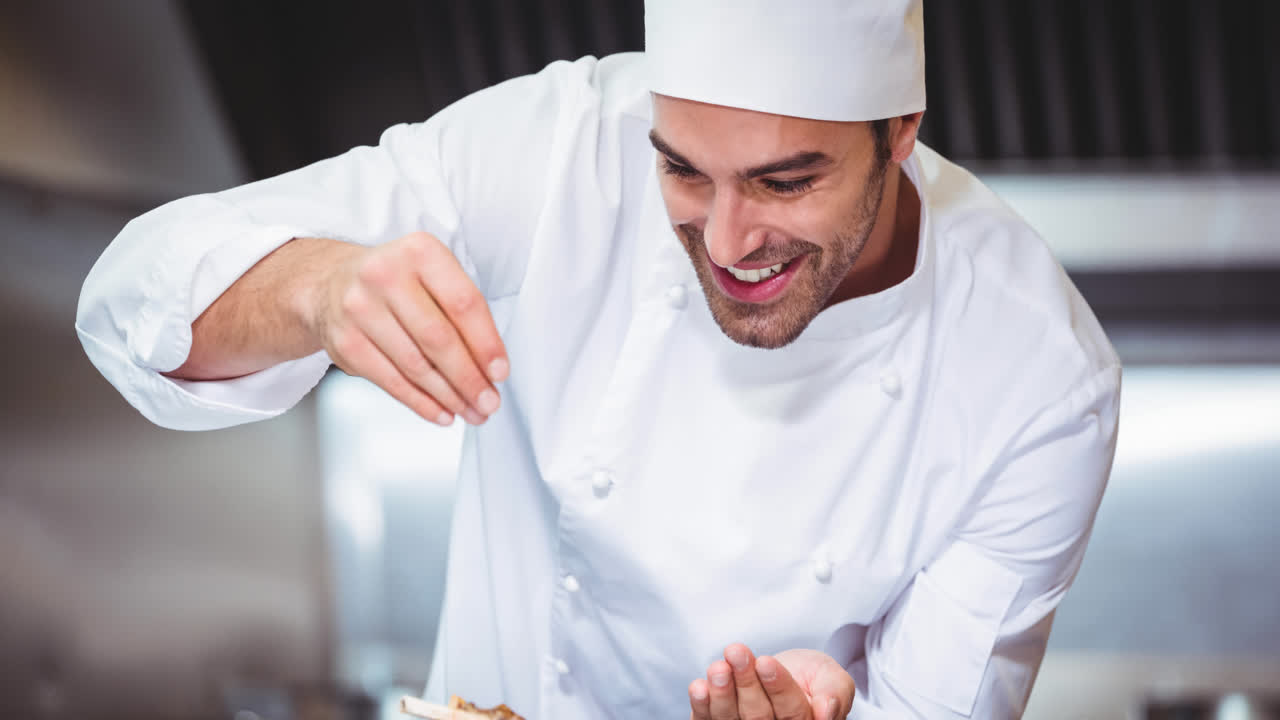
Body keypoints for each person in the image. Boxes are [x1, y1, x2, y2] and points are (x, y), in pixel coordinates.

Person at [76, 0, 1121, 717]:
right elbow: (132, 292)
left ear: (899, 133)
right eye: (681, 171)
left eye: (783, 183)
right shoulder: (562, 146)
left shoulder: (1032, 379)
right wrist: (316, 287)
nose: (723, 241)